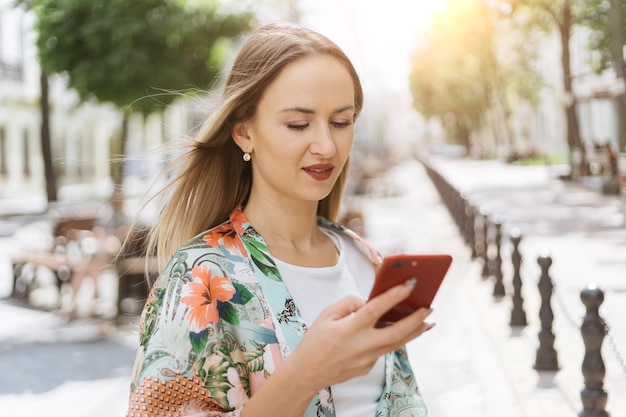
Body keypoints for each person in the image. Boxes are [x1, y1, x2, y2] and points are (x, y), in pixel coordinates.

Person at [126, 22, 434, 417]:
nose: (326, 145)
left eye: (341, 122)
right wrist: (305, 374)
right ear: (243, 133)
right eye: (297, 125)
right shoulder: (200, 277)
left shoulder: (367, 262)